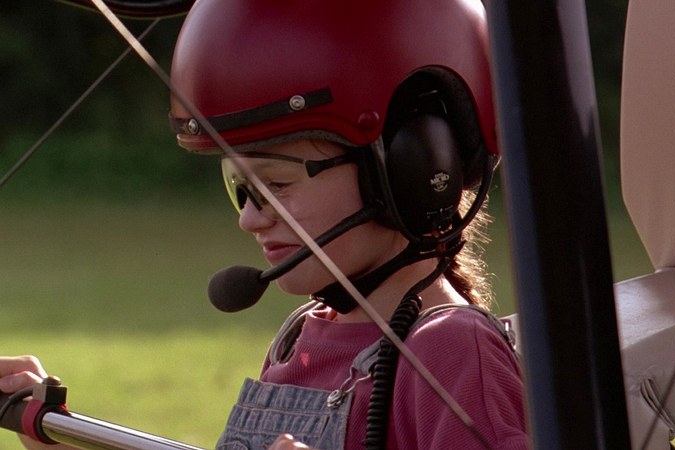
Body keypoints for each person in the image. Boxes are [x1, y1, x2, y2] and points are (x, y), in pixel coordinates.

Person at [1, 0, 528, 449]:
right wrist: (55, 431)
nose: (248, 218)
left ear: (414, 170)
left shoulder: (452, 352)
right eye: (240, 188)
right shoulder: (301, 335)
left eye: (277, 184)